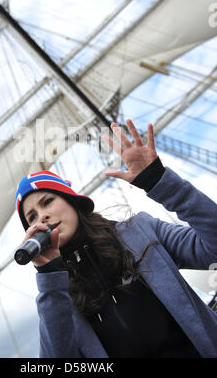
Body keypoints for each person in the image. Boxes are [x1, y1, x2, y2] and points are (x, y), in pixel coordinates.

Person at [14, 119, 217, 358]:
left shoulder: (141, 230)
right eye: (32, 217)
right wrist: (49, 278)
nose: (42, 216)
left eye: (48, 201)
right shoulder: (57, 294)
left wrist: (159, 182)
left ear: (73, 202)